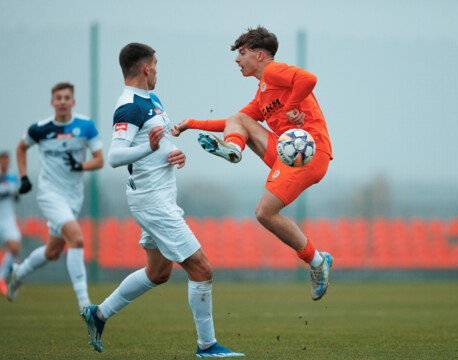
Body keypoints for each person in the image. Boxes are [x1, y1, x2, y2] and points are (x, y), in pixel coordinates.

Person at [80, 42, 243, 358]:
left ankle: (98, 314)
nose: (156, 69)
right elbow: (115, 156)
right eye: (155, 64)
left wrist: (172, 152)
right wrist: (152, 150)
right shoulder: (129, 106)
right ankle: (207, 346)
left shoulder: (152, 99)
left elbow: (158, 139)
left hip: (160, 197)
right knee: (202, 269)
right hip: (153, 202)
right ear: (145, 67)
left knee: (158, 273)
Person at [172, 26, 334, 301]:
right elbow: (232, 122)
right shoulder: (263, 92)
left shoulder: (273, 70)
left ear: (260, 55)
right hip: (288, 153)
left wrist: (293, 105)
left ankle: (317, 262)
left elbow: (309, 78)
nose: (237, 59)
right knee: (241, 122)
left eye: (242, 53)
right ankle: (234, 149)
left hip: (311, 151)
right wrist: (191, 124)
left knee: (263, 212)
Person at [7, 82, 104, 312]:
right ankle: (85, 305)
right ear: (52, 102)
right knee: (77, 239)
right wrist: (23, 177)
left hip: (73, 197)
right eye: (58, 98)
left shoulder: (85, 126)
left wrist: (81, 166)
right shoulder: (40, 129)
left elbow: (99, 160)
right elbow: (21, 148)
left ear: (73, 102)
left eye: (66, 97)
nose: (62, 101)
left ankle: (18, 273)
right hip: (49, 194)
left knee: (53, 251)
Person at [0, 151, 22, 296]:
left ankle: (1, 277)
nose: (6, 163)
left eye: (8, 161)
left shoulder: (13, 176)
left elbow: (15, 196)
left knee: (15, 248)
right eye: (3, 160)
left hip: (7, 219)